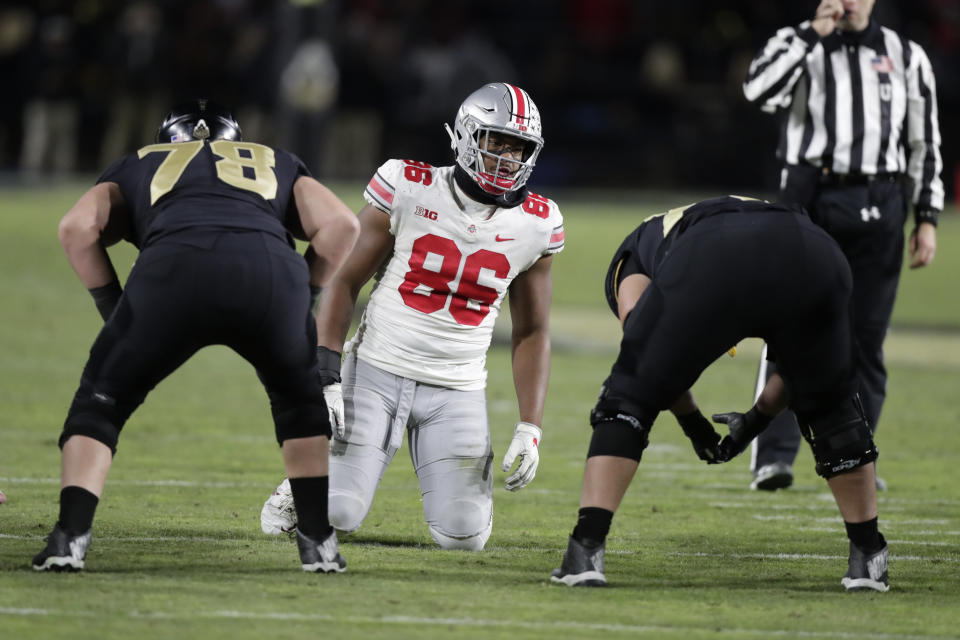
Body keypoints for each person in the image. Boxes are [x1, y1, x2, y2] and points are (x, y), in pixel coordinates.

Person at [32, 100, 360, 573]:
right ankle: (318, 543)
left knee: (100, 403)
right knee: (299, 405)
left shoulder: (140, 161)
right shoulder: (272, 159)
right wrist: (300, 292)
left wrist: (114, 309)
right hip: (268, 273)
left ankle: (70, 538)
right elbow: (341, 226)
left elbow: (76, 228)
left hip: (172, 270)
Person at [260, 82, 564, 550]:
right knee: (338, 512)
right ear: (465, 136)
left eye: (519, 147)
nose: (507, 157)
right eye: (496, 142)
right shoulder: (409, 186)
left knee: (464, 538)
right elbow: (343, 280)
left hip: (457, 387)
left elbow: (532, 330)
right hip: (377, 370)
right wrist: (326, 372)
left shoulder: (538, 223)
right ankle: (298, 486)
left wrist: (531, 426)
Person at [550, 196, 889, 592]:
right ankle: (869, 558)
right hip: (812, 250)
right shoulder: (753, 219)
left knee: (628, 394)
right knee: (833, 407)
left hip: (710, 255)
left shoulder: (636, 252)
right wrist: (754, 422)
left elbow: (649, 365)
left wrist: (694, 423)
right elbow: (797, 374)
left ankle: (586, 550)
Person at [741, 0, 943, 491]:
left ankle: (855, 457)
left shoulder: (906, 54)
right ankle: (773, 455)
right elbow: (758, 91)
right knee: (793, 330)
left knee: (866, 342)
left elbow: (924, 141)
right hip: (813, 195)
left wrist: (927, 217)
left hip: (882, 198)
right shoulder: (798, 42)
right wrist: (813, 32)